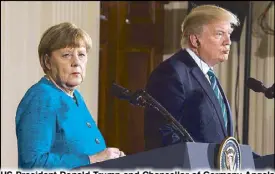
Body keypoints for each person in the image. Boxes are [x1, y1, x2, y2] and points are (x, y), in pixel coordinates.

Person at [15, 22, 125, 170]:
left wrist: (112, 158)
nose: (76, 62)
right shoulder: (41, 97)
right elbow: (33, 163)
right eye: (66, 55)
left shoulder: (75, 96)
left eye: (81, 55)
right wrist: (93, 159)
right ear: (47, 61)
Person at [144, 5, 240, 149]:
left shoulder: (208, 76)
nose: (228, 41)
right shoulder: (171, 73)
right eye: (219, 34)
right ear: (195, 40)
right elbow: (164, 137)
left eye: (229, 34)